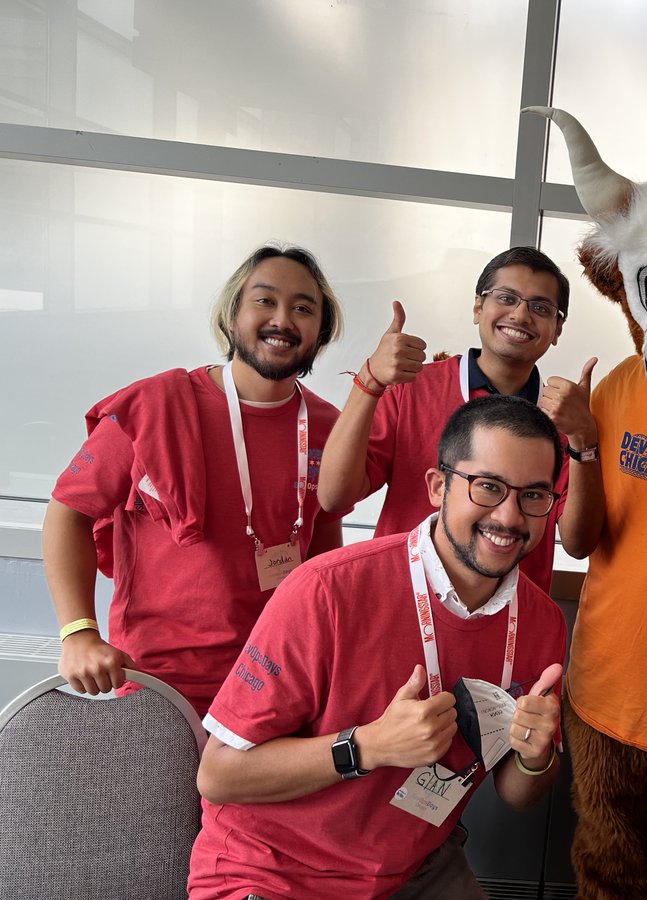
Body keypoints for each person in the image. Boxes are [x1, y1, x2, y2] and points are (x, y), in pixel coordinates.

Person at [189, 395, 568, 898]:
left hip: (413, 868)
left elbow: (517, 794)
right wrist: (368, 747)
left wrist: (535, 758)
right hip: (275, 872)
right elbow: (218, 775)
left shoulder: (542, 623)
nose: (510, 516)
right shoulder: (327, 589)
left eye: (533, 495)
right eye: (488, 487)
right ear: (438, 487)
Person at [44, 243, 347, 716]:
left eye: (303, 309)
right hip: (157, 682)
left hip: (276, 677)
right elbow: (68, 512)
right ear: (232, 315)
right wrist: (78, 633)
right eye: (264, 300)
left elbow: (323, 540)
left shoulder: (329, 428)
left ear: (321, 331)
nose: (282, 319)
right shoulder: (152, 407)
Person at [317, 246, 601, 593]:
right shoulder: (411, 387)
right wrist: (369, 381)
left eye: (540, 308)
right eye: (506, 298)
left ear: (557, 329)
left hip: (510, 613)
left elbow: (578, 544)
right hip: (401, 598)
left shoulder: (564, 419)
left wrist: (583, 439)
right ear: (478, 308)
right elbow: (334, 496)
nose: (521, 315)